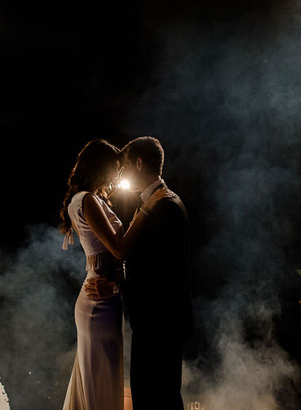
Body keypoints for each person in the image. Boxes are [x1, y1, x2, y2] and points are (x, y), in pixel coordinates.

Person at [60, 139, 173, 410]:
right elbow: (119, 249)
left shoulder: (93, 199)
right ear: (101, 166)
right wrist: (145, 209)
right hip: (98, 301)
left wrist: (118, 283)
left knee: (103, 374)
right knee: (98, 377)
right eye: (115, 167)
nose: (118, 174)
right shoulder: (86, 200)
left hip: (107, 294)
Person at [87, 136, 192, 410]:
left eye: (123, 167)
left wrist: (117, 288)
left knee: (157, 396)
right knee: (151, 394)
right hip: (155, 320)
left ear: (138, 163)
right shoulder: (153, 203)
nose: (121, 174)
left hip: (160, 321)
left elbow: (161, 275)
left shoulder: (166, 206)